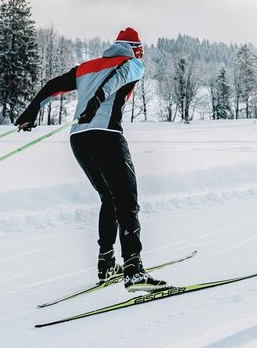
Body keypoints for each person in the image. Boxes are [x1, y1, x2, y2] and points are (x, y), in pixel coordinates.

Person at [15, 27, 167, 293]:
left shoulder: (87, 66)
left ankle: (107, 264)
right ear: (136, 49)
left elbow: (53, 86)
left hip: (79, 139)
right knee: (127, 201)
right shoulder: (132, 64)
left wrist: (32, 109)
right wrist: (97, 101)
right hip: (106, 135)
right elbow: (117, 80)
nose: (141, 56)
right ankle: (134, 270)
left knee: (109, 199)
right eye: (141, 51)